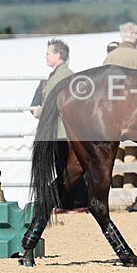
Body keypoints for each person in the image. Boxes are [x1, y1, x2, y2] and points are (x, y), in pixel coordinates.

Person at [36, 38, 88, 209]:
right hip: (65, 130)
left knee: (66, 167)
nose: (45, 57)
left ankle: (75, 202)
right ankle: (72, 202)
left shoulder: (59, 76)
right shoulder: (67, 74)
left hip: (61, 131)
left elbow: (51, 104)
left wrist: (39, 112)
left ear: (58, 55)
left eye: (48, 53)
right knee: (68, 167)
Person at [103, 22, 137, 188]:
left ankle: (117, 189)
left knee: (116, 153)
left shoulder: (110, 57)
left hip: (112, 113)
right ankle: (129, 192)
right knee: (132, 152)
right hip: (134, 113)